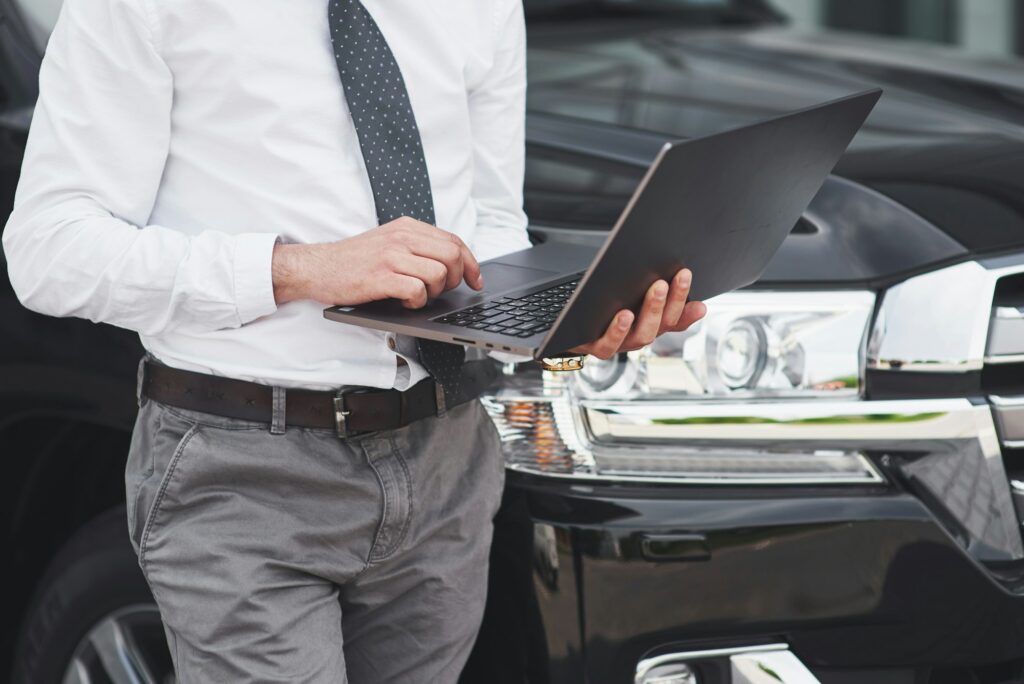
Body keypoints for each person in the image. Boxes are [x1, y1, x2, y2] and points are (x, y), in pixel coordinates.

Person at [2, 0, 706, 681]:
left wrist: (567, 325)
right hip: (244, 468)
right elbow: (49, 252)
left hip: (447, 461)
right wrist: (300, 268)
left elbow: (490, 223)